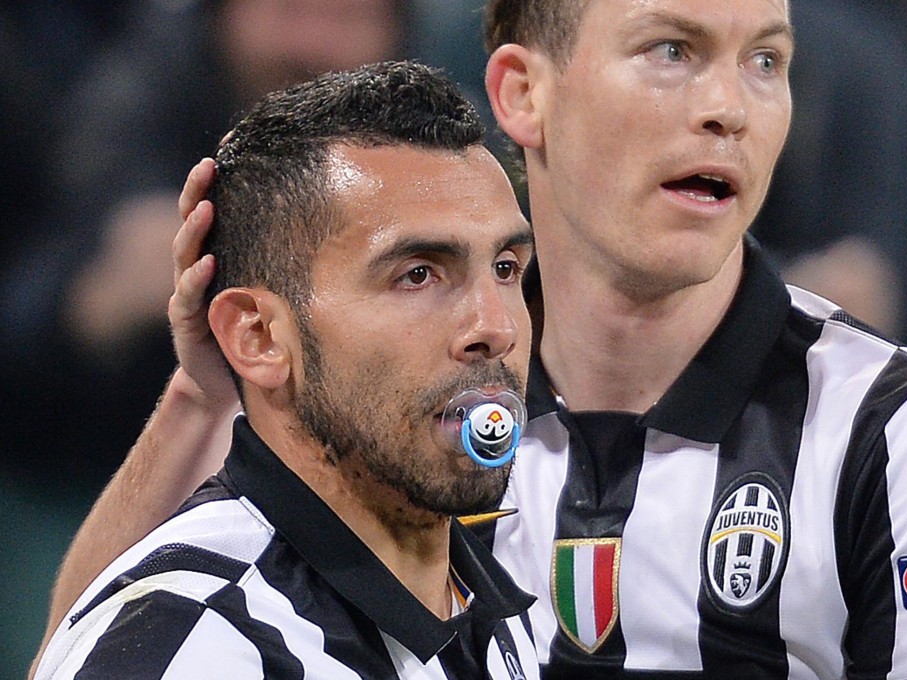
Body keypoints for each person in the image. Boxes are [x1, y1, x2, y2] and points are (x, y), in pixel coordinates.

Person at [35, 1, 907, 678]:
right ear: (521, 94)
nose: (729, 107)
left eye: (767, 60)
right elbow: (106, 641)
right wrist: (198, 396)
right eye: (670, 50)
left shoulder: (898, 426)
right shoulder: (413, 397)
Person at [32, 61, 541, 679]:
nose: (496, 328)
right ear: (259, 336)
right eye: (418, 275)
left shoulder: (480, 591)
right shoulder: (199, 647)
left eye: (506, 268)